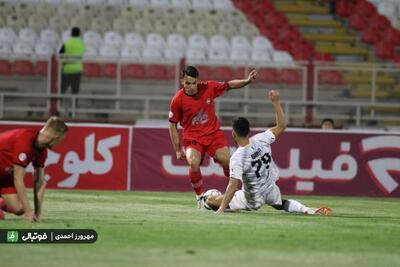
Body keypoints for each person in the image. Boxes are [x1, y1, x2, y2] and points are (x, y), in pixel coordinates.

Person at [206, 90, 332, 216]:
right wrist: (276, 102)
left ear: (233, 134)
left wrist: (221, 208)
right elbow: (282, 126)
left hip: (252, 199)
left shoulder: (237, 157)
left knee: (210, 201)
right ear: (248, 131)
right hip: (270, 189)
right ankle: (306, 209)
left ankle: (216, 202)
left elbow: (233, 185)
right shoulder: (261, 138)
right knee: (280, 204)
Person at [168, 66, 257, 208]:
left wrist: (246, 81)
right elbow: (172, 125)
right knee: (193, 162)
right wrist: (178, 150)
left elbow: (229, 85)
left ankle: (233, 195)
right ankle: (199, 197)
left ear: (198, 81)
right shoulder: (178, 100)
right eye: (187, 83)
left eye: (194, 83)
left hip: (213, 134)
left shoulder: (209, 88)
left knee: (227, 160)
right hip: (193, 137)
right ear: (181, 81)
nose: (191, 86)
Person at [0, 117, 68, 222]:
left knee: (20, 208)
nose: (59, 142)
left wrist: (36, 214)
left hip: (4, 176)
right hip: (7, 174)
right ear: (55, 136)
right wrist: (28, 213)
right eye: (60, 139)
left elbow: (40, 182)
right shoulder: (25, 141)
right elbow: (18, 178)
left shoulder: (42, 151)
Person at [59, 27, 86, 97]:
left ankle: (59, 104)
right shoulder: (81, 43)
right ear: (79, 34)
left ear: (71, 33)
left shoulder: (67, 42)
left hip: (67, 69)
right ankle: (74, 107)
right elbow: (83, 53)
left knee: (62, 90)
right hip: (77, 70)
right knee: (75, 91)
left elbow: (60, 54)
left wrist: (64, 62)